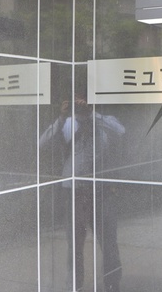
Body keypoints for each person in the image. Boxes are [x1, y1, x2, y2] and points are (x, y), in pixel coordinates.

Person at [40, 95, 125, 292]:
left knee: (109, 241)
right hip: (74, 191)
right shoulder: (67, 123)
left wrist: (91, 114)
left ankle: (112, 284)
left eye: (82, 101)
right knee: (74, 244)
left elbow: (121, 131)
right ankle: (74, 285)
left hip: (101, 190)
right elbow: (42, 143)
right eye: (75, 102)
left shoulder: (103, 120)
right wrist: (62, 117)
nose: (79, 105)